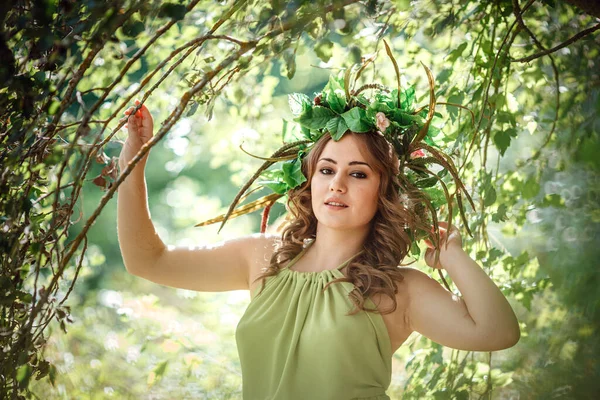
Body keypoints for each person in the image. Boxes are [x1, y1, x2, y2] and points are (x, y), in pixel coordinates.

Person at [118, 77, 520, 399]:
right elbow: (146, 260)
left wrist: (451, 255)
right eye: (327, 170)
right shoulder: (263, 259)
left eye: (358, 173)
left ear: (385, 190)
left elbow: (498, 332)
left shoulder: (399, 289)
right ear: (309, 179)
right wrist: (132, 161)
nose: (337, 185)